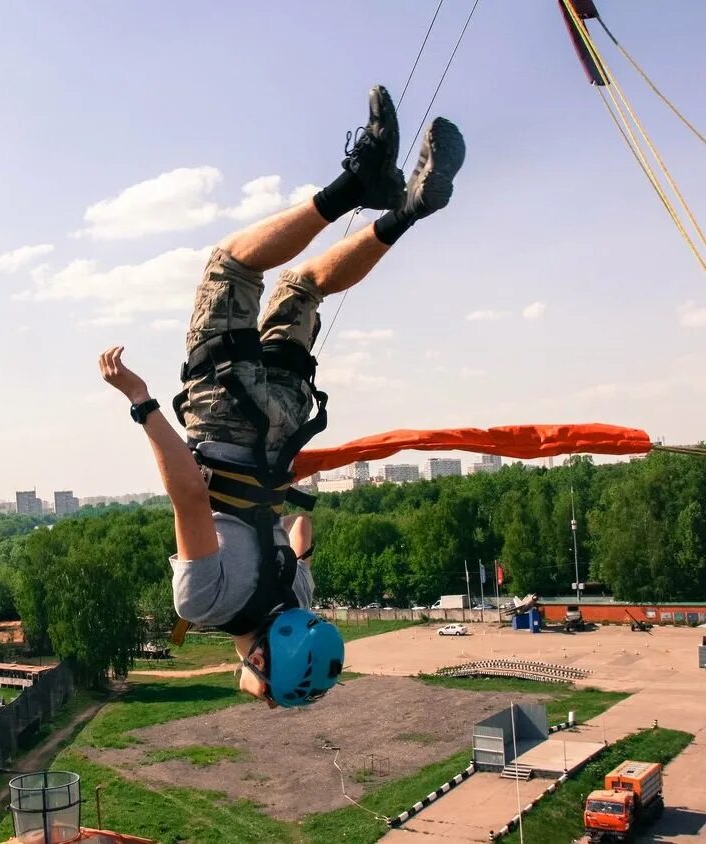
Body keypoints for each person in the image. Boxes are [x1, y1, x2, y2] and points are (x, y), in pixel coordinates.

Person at [99, 86, 465, 708]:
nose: (253, 692)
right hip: (225, 414)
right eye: (261, 687)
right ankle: (356, 182)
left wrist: (290, 541)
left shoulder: (297, 599)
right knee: (232, 267)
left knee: (305, 286)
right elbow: (189, 490)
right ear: (263, 658)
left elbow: (300, 531)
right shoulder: (204, 603)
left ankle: (406, 211)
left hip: (286, 422)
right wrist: (139, 401)